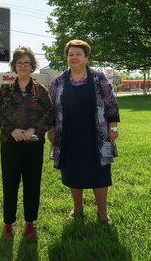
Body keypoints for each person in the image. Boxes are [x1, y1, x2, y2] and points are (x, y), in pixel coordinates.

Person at [48, 40, 120, 222]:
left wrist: (113, 127)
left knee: (100, 173)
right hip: (69, 135)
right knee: (73, 172)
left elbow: (110, 103)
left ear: (86, 57)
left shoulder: (98, 78)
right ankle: (77, 206)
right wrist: (51, 129)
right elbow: (50, 109)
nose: (74, 58)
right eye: (71, 54)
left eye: (78, 54)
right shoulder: (58, 82)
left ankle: (102, 212)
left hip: (97, 134)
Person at [0, 46, 53, 239]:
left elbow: (50, 114)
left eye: (27, 63)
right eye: (19, 63)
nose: (23, 66)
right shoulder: (4, 91)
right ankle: (8, 223)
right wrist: (12, 130)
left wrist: (33, 130)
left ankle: (30, 222)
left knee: (32, 184)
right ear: (14, 66)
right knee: (9, 184)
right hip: (10, 144)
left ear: (32, 66)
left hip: (34, 144)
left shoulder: (41, 91)